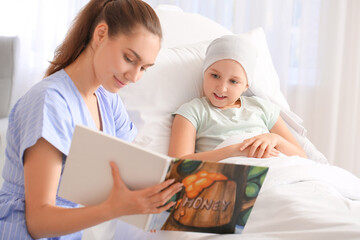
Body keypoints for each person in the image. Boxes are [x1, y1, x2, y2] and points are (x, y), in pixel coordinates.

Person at [0, 0, 183, 239]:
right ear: (101, 34)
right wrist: (113, 208)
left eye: (144, 68)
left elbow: (127, 173)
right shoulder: (50, 102)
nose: (135, 77)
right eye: (129, 58)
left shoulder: (108, 101)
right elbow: (38, 221)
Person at [168, 34, 307, 161]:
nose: (221, 88)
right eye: (215, 76)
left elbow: (302, 157)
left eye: (233, 81)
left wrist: (276, 140)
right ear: (204, 72)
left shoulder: (262, 108)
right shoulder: (192, 112)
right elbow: (178, 164)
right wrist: (234, 150)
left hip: (276, 170)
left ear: (246, 85)